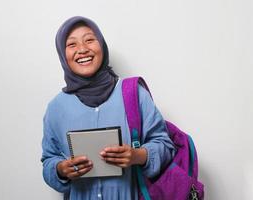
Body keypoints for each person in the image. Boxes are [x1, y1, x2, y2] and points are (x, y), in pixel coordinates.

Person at [41, 16, 176, 200]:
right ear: (62, 55)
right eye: (71, 44)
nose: (82, 49)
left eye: (89, 39)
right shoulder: (56, 108)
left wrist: (137, 156)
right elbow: (49, 160)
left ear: (102, 45)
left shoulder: (134, 93)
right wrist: (60, 169)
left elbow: (165, 146)